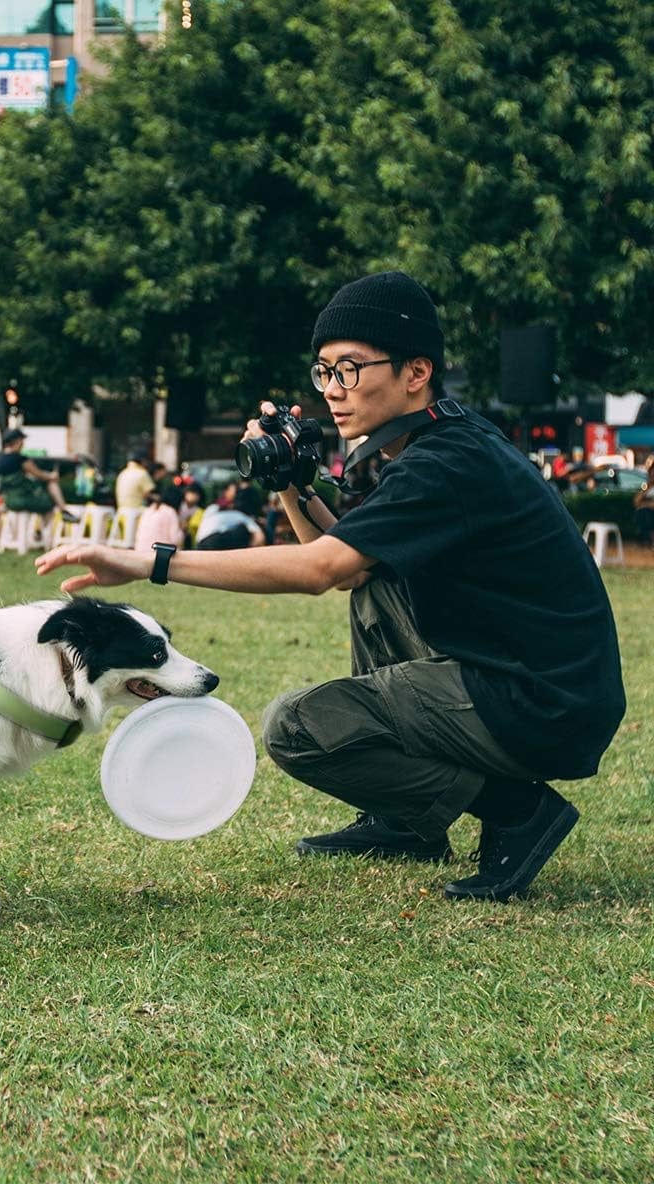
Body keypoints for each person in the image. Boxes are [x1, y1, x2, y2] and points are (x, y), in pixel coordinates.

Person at [37, 269, 626, 904]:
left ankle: (517, 811)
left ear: (415, 372)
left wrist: (148, 561)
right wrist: (289, 479)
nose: (334, 391)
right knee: (375, 582)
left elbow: (323, 569)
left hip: (540, 702)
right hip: (529, 677)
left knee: (297, 726)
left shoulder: (447, 462)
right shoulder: (437, 439)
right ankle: (405, 821)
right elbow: (348, 560)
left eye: (350, 370)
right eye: (324, 371)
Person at [0, 428, 75, 518]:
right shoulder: (20, 459)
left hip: (9, 501)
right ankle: (63, 511)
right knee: (49, 499)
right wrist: (52, 476)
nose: (23, 443)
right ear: (17, 440)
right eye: (21, 440)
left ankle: (39, 528)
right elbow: (39, 474)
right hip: (24, 499)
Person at [194, 485, 267, 550]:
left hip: (200, 543)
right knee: (242, 530)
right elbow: (259, 536)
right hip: (213, 541)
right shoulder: (238, 515)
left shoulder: (213, 508)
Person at [134, 485, 184, 550]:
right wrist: (182, 530)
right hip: (159, 553)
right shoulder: (170, 512)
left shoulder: (149, 509)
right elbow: (176, 539)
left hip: (140, 550)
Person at [634, 456, 654, 548]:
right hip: (647, 511)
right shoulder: (646, 487)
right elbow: (636, 501)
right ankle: (646, 540)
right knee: (642, 513)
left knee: (645, 513)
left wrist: (645, 504)